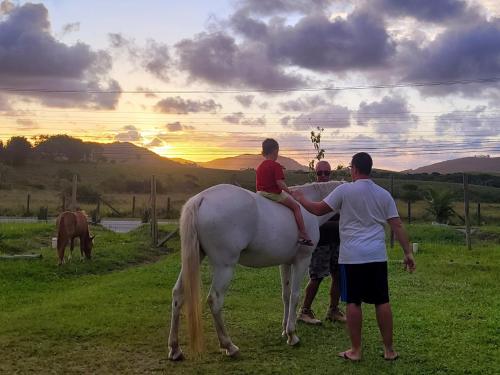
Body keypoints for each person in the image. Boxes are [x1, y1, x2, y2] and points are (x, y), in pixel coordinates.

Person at [292, 152, 415, 362]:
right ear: (370, 168)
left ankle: (356, 351)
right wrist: (408, 252)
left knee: (353, 303)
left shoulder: (345, 190)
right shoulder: (383, 194)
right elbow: (397, 225)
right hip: (376, 256)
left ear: (354, 169)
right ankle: (389, 350)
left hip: (352, 257)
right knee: (382, 301)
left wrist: (300, 198)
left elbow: (318, 209)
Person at [298, 160, 346, 325]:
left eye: (327, 173)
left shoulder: (336, 192)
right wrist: (340, 224)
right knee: (317, 277)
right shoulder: (313, 193)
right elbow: (314, 219)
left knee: (338, 276)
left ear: (331, 174)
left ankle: (333, 309)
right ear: (315, 174)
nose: (323, 176)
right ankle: (304, 311)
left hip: (338, 241)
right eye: (320, 173)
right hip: (321, 243)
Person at [256, 138, 313, 246]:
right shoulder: (275, 166)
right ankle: (303, 234)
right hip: (273, 194)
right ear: (275, 151)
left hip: (260, 193)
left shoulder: (260, 166)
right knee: (296, 207)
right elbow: (280, 183)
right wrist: (290, 192)